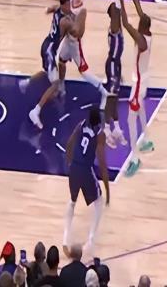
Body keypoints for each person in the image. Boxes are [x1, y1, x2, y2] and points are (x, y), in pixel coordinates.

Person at [20, 0, 73, 129]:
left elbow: (52, 8)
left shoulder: (58, 10)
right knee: (55, 84)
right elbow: (74, 30)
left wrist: (49, 9)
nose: (70, 6)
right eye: (68, 4)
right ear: (64, 5)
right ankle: (36, 111)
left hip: (46, 45)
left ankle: (26, 82)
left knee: (46, 72)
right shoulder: (65, 21)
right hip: (50, 50)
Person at [117, 0, 154, 177]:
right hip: (144, 79)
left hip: (139, 82)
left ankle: (134, 158)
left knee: (130, 119)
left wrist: (121, 0)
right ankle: (146, 139)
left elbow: (125, 23)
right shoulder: (148, 33)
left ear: (143, 26)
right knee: (141, 109)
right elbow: (139, 8)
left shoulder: (141, 39)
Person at [63, 108, 110, 257]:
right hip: (85, 170)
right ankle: (90, 240)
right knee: (99, 202)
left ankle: (65, 239)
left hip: (74, 168)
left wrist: (69, 164)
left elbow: (69, 144)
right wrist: (108, 190)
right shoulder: (100, 134)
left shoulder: (81, 125)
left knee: (72, 201)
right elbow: (102, 163)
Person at [56, 0, 109, 109]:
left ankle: (103, 91)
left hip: (75, 43)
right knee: (61, 61)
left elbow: (80, 32)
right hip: (67, 40)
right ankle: (62, 86)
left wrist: (70, 27)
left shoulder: (82, 9)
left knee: (83, 72)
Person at [103, 0, 126, 148]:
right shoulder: (114, 27)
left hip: (116, 64)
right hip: (111, 64)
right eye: (115, 10)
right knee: (110, 98)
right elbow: (117, 13)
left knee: (115, 98)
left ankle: (116, 128)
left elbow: (121, 12)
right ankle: (106, 129)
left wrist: (120, 70)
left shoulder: (119, 27)